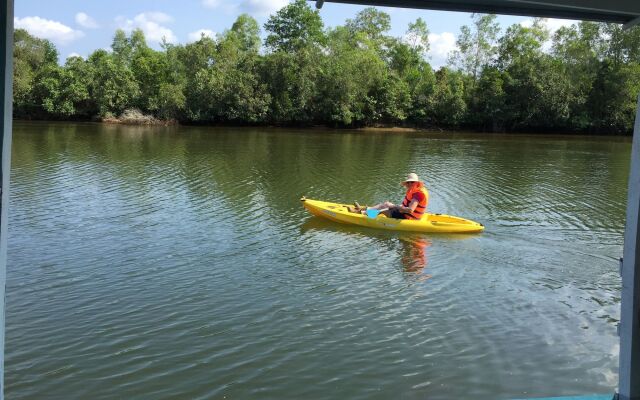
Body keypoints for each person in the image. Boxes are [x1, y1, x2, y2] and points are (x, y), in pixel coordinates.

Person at [364, 173, 429, 220]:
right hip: (404, 213)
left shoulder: (418, 194)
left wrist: (394, 206)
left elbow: (410, 210)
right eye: (408, 182)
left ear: (417, 183)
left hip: (409, 217)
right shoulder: (414, 190)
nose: (410, 184)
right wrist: (395, 206)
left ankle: (364, 216)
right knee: (386, 204)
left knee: (384, 210)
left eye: (412, 182)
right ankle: (367, 211)